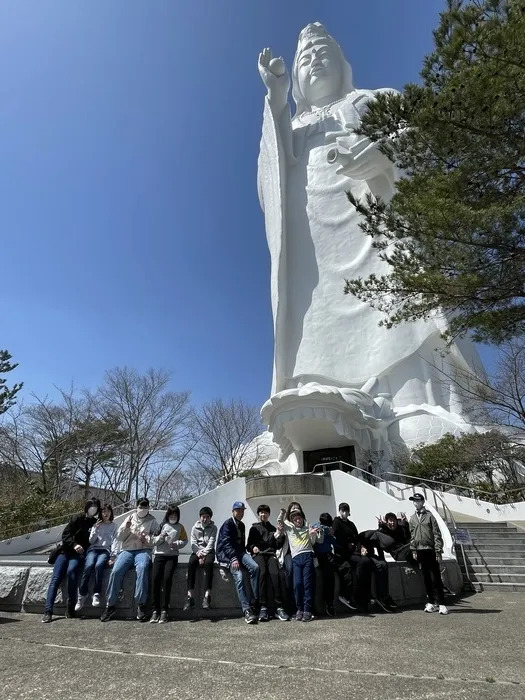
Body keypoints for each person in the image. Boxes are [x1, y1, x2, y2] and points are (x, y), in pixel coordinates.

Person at [42, 498, 101, 623]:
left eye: (96, 507)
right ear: (87, 506)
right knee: (56, 579)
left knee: (72, 572)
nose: (93, 508)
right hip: (65, 552)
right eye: (91, 506)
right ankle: (48, 611)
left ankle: (70, 605)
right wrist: (74, 545)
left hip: (78, 556)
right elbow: (66, 535)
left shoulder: (96, 523)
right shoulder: (76, 518)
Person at [100, 497, 159, 622]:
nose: (142, 509)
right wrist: (126, 527)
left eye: (145, 506)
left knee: (143, 568)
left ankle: (141, 605)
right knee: (116, 571)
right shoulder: (130, 518)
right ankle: (110, 605)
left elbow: (156, 540)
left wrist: (146, 539)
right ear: (136, 507)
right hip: (127, 550)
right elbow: (119, 537)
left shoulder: (152, 521)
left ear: (148, 507)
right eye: (140, 506)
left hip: (143, 550)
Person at [277, 502, 323, 622]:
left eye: (299, 517)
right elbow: (280, 522)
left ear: (303, 518)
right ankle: (299, 609)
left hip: (308, 556)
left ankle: (307, 610)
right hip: (296, 558)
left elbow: (318, 540)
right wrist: (282, 513)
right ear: (291, 519)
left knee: (307, 584)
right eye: (295, 518)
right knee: (297, 584)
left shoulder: (307, 527)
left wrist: (315, 533)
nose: (298, 520)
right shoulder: (290, 529)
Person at [216, 501, 259, 624]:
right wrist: (233, 558)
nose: (240, 513)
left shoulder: (242, 525)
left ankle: (254, 601)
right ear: (233, 511)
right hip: (227, 555)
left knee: (255, 567)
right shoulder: (228, 524)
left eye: (242, 510)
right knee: (239, 576)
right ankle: (246, 610)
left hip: (240, 553)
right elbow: (225, 543)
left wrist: (248, 556)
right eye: (238, 510)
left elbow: (241, 545)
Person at [247, 504, 289, 621]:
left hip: (271, 555)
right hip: (259, 555)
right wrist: (253, 547)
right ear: (258, 514)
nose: (263, 514)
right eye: (261, 512)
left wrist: (280, 534)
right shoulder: (254, 528)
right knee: (262, 574)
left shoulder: (272, 528)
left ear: (269, 514)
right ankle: (263, 607)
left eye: (265, 512)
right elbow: (249, 544)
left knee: (275, 574)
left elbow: (277, 545)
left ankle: (279, 607)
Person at [408, 493, 448, 615]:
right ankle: (431, 601)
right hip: (420, 550)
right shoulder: (412, 518)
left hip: (430, 549)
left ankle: (441, 603)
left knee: (436, 577)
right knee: (426, 578)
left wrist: (438, 550)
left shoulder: (429, 516)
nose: (416, 503)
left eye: (418, 500)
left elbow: (436, 534)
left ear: (422, 502)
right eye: (414, 501)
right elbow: (412, 535)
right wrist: (413, 549)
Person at [76, 503, 118, 611]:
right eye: (103, 511)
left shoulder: (114, 526)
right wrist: (95, 529)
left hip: (105, 550)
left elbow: (115, 542)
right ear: (100, 513)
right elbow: (91, 541)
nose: (106, 513)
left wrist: (113, 556)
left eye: (108, 511)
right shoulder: (96, 524)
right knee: (89, 565)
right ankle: (82, 594)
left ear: (111, 513)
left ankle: (96, 593)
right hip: (93, 549)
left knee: (99, 565)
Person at [150, 504, 188, 623]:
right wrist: (162, 536)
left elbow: (185, 540)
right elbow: (153, 541)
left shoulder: (180, 527)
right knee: (155, 579)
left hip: (172, 557)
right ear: (167, 515)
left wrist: (176, 544)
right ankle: (155, 610)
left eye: (175, 515)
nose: (173, 517)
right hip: (159, 556)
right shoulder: (162, 525)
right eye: (171, 514)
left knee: (167, 580)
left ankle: (164, 610)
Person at [332, 502, 372, 612]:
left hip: (354, 551)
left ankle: (366, 594)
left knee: (367, 561)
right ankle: (355, 594)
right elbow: (334, 534)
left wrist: (361, 548)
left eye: (346, 510)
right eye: (342, 510)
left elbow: (357, 538)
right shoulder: (337, 522)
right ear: (339, 511)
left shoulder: (351, 524)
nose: (344, 513)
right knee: (361, 562)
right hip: (344, 553)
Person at [184, 506, 217, 611]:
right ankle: (190, 596)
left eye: (207, 517)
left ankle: (207, 596)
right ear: (200, 517)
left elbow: (211, 543)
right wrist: (199, 554)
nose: (205, 519)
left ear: (210, 518)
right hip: (197, 551)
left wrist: (204, 554)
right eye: (203, 517)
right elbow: (193, 543)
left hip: (209, 552)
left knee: (209, 564)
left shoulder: (214, 528)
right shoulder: (194, 528)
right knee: (191, 563)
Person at [313, 512, 338, 617]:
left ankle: (329, 602)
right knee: (326, 578)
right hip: (318, 555)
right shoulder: (317, 527)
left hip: (326, 555)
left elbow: (334, 542)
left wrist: (332, 534)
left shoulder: (326, 529)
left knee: (329, 577)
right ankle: (325, 603)